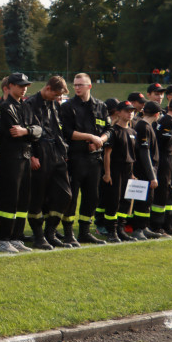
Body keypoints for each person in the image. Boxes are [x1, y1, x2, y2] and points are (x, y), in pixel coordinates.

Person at [0, 73, 41, 253]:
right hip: (10, 158)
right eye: (20, 85)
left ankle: (16, 237)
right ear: (10, 86)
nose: (24, 88)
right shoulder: (4, 107)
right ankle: (3, 238)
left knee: (23, 200)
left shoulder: (26, 106)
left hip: (25, 157)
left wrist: (27, 131)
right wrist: (31, 132)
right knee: (9, 200)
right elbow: (13, 131)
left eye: (25, 85)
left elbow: (38, 130)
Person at [60, 73, 111, 245]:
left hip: (94, 159)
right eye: (75, 85)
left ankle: (84, 232)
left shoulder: (100, 106)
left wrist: (99, 141)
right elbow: (66, 132)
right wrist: (89, 137)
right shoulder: (68, 107)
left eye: (81, 84)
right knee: (71, 197)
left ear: (90, 86)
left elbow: (109, 130)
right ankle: (68, 233)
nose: (77, 87)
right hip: (75, 158)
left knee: (91, 197)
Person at [26, 76, 72, 248]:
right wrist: (32, 155)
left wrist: (63, 151)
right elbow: (29, 132)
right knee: (37, 197)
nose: (58, 98)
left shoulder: (54, 105)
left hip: (56, 153)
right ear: (48, 89)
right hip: (40, 153)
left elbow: (58, 130)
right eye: (56, 95)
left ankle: (50, 231)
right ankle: (38, 236)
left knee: (65, 194)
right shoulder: (30, 104)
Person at [149, 97, 172, 236]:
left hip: (162, 158)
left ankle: (166, 223)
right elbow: (164, 141)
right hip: (164, 159)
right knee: (162, 191)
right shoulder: (170, 122)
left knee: (168, 191)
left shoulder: (164, 120)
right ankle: (158, 225)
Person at [102, 100, 137, 242]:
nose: (130, 113)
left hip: (128, 170)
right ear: (119, 112)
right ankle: (111, 231)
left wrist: (133, 173)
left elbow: (133, 154)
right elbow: (107, 154)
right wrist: (107, 173)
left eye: (132, 111)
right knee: (113, 201)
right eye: (127, 111)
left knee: (125, 200)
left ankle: (121, 229)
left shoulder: (133, 131)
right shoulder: (113, 131)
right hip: (116, 170)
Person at [130, 100, 161, 240]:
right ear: (157, 114)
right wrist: (152, 175)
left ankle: (143, 227)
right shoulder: (144, 127)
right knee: (142, 201)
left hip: (145, 171)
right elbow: (144, 152)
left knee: (147, 201)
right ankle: (137, 229)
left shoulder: (145, 126)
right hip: (143, 172)